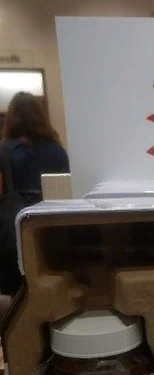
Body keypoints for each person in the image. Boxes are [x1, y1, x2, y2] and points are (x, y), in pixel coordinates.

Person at [0, 91, 69, 295]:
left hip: (15, 230)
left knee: (16, 292)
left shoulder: (4, 150)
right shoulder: (56, 150)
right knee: (52, 285)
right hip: (50, 227)